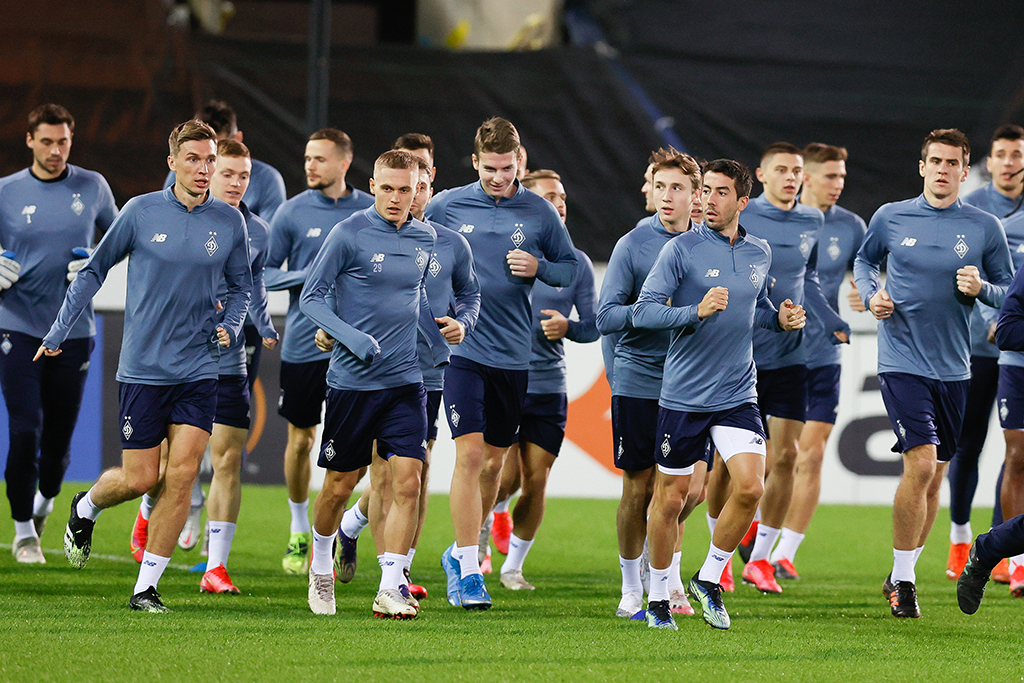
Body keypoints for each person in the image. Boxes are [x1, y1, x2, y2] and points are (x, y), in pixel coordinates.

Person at [40, 119, 252, 612]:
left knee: (181, 475)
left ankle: (145, 588)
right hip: (143, 368)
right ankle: (86, 505)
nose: (204, 169)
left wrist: (232, 322)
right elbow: (93, 269)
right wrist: (59, 329)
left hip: (201, 368)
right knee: (141, 478)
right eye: (194, 159)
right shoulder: (139, 211)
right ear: (172, 162)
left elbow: (242, 287)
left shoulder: (229, 222)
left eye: (210, 159)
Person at [633, 158, 805, 630]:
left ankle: (708, 579)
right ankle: (658, 598)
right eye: (705, 190)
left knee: (752, 486)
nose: (709, 200)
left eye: (721, 192)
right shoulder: (681, 251)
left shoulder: (759, 253)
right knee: (669, 500)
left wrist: (782, 318)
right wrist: (694, 311)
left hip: (737, 391)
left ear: (742, 201)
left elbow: (759, 308)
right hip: (684, 395)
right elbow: (644, 312)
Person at [854, 128, 1013, 618]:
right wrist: (873, 293)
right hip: (901, 361)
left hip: (955, 367)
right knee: (920, 464)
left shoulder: (985, 227)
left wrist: (982, 288)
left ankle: (900, 569)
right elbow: (864, 260)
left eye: (953, 163)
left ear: (966, 171)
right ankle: (904, 581)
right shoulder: (891, 216)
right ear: (921, 167)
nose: (943, 170)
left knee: (934, 476)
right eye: (935, 161)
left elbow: (1011, 294)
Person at [426, 117, 578, 610]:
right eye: (489, 168)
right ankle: (470, 568)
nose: (498, 177)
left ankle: (458, 552)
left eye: (507, 168)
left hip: (516, 358)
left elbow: (571, 265)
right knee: (469, 457)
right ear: (474, 162)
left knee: (495, 464)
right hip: (462, 351)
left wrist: (540, 268)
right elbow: (413, 249)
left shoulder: (537, 212)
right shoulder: (446, 205)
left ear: (521, 162)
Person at [299, 149, 449, 619]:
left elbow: (414, 298)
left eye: (406, 189)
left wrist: (441, 339)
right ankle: (321, 563)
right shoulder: (349, 234)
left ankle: (391, 584)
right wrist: (350, 336)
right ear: (373, 185)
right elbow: (311, 297)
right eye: (387, 188)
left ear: (418, 189)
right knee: (340, 487)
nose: (397, 197)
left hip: (407, 381)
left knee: (409, 480)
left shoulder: (426, 237)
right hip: (352, 383)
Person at [130, 139, 279, 590]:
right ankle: (146, 511)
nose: (235, 182)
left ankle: (216, 567)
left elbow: (254, 287)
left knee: (229, 457)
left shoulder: (259, 232)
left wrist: (263, 324)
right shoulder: (175, 217)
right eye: (226, 173)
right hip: (175, 355)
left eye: (243, 176)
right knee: (168, 466)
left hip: (228, 354)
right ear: (208, 174)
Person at [334, 140, 480, 598]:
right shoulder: (363, 235)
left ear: (428, 186)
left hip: (429, 374)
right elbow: (338, 291)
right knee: (381, 475)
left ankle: (365, 537)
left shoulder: (449, 243)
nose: (408, 198)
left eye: (417, 188)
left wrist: (462, 323)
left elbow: (471, 297)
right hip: (376, 371)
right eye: (399, 188)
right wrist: (332, 331)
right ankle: (391, 577)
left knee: (415, 474)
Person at [729, 142, 849, 594]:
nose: (790, 178)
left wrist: (830, 318)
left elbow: (809, 278)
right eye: (781, 170)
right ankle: (720, 556)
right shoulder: (742, 216)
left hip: (792, 355)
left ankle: (760, 559)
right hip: (743, 356)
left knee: (786, 456)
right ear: (761, 175)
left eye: (796, 171)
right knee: (730, 467)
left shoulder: (811, 220)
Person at [0, 103, 117, 563]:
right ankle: (24, 531)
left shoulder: (93, 186)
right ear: (29, 140)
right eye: (46, 141)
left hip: (75, 330)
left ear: (72, 140)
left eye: (62, 142)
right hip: (17, 326)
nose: (55, 150)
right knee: (25, 429)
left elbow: (121, 240)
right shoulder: (6, 191)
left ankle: (46, 500)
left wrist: (96, 259)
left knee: (58, 445)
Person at [483, 169, 599, 591]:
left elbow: (594, 325)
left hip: (550, 384)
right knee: (505, 476)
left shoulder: (577, 264)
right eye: (551, 196)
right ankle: (480, 535)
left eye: (563, 195)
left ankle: (512, 567)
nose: (561, 203)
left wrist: (567, 327)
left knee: (536, 479)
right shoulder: (499, 252)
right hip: (504, 376)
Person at [596, 148, 700, 619]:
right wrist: (654, 312)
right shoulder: (632, 245)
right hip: (640, 381)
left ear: (695, 195)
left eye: (677, 188)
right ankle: (633, 587)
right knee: (639, 488)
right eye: (660, 187)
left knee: (688, 491)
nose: (667, 196)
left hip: (696, 383)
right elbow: (605, 316)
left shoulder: (710, 246)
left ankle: (667, 573)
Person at [264, 129, 373, 575]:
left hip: (354, 350)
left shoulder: (370, 209)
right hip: (304, 347)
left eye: (320, 159)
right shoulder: (291, 213)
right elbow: (265, 275)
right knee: (301, 440)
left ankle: (340, 525)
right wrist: (310, 277)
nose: (310, 166)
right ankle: (297, 529)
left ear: (344, 163)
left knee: (363, 450)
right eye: (307, 158)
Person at [770, 143, 866, 579]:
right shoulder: (781, 222)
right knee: (775, 457)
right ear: (805, 178)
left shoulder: (851, 226)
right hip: (777, 352)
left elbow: (872, 268)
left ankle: (783, 552)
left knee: (812, 455)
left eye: (842, 176)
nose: (838, 184)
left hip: (825, 353)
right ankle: (756, 534)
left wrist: (865, 291)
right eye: (830, 176)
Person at [950, 124, 1024, 584]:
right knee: (968, 444)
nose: (1010, 161)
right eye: (1002, 154)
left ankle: (1004, 549)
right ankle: (961, 539)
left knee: (1016, 453)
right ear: (989, 161)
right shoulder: (970, 208)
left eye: (1017, 154)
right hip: (976, 347)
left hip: (1017, 344)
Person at [163, 100, 286, 221]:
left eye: (218, 149)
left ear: (238, 139)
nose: (206, 166)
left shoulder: (268, 179)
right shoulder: (181, 172)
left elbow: (268, 236)